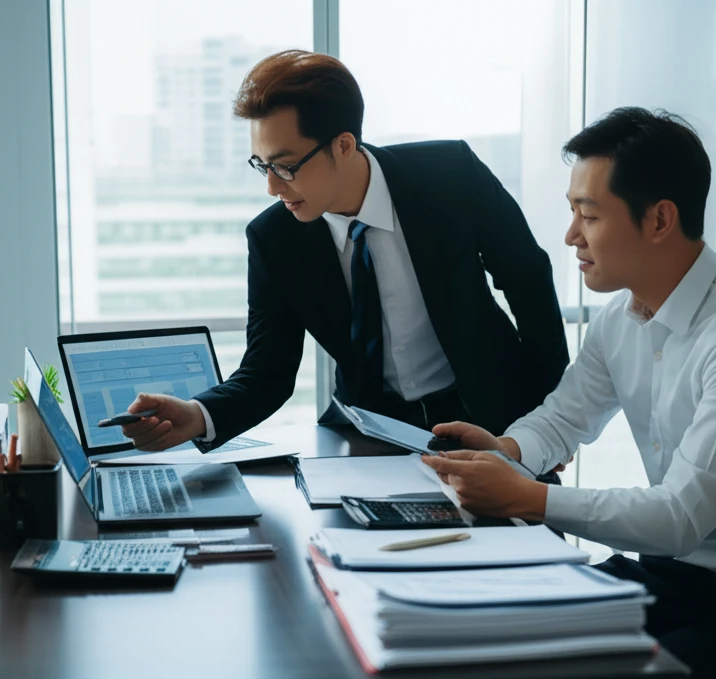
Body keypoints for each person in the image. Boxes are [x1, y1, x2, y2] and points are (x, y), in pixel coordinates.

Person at [421, 107, 716, 679]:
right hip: (669, 575)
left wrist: (524, 497)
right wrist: (509, 451)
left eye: (588, 215)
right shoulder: (620, 318)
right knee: (501, 631)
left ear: (660, 219)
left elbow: (679, 516)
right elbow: (563, 419)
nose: (571, 236)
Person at [122, 50, 569, 454]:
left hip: (493, 417)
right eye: (262, 165)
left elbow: (527, 279)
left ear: (343, 144)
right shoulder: (274, 239)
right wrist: (198, 415)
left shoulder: (450, 174)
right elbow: (268, 371)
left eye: (286, 165)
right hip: (370, 434)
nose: (273, 186)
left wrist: (550, 423)